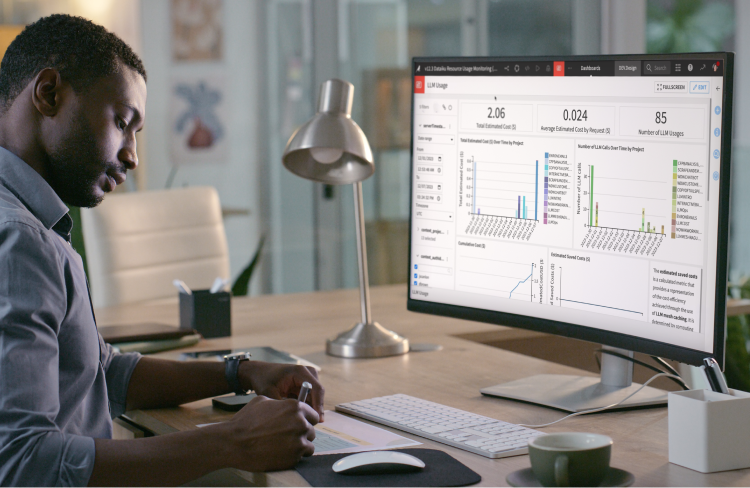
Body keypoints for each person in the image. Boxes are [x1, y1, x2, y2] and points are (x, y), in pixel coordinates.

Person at [0, 14, 324, 488]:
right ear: (49, 93)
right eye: (122, 122)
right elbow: (21, 462)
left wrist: (242, 372)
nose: (132, 154)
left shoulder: (28, 223)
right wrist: (232, 442)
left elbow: (97, 369)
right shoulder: (20, 242)